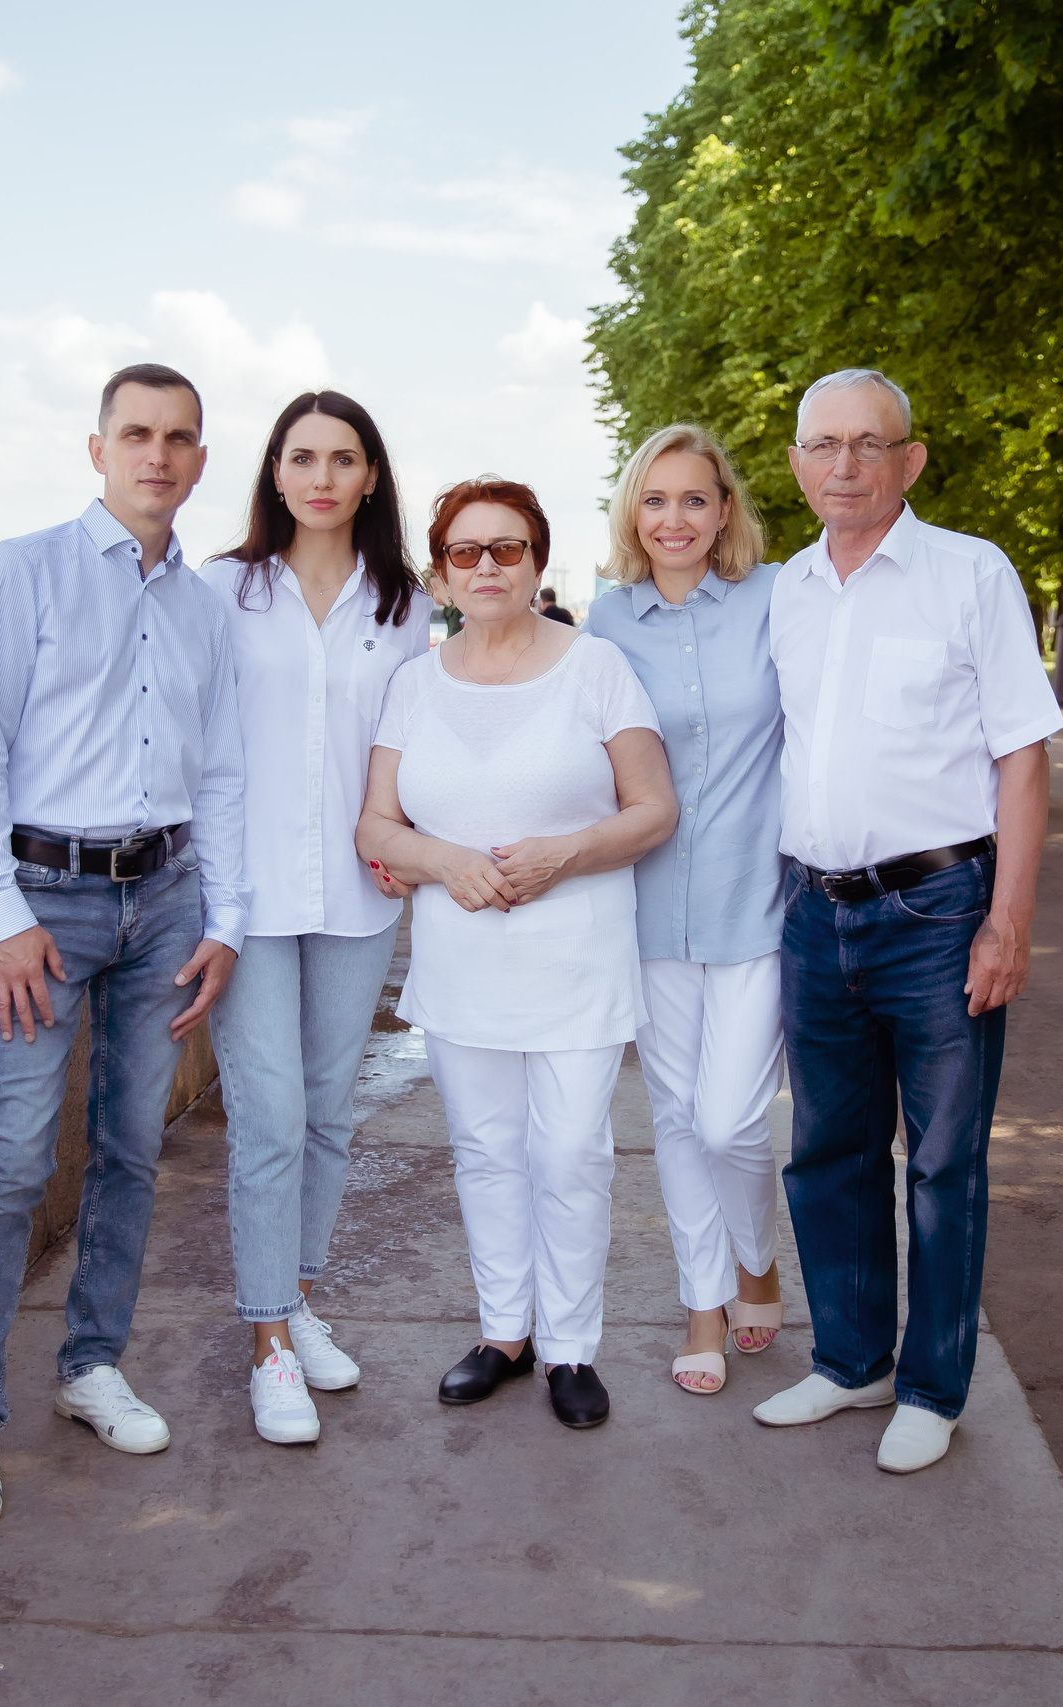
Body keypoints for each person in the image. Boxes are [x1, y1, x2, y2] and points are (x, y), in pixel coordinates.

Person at [0, 363, 245, 1529]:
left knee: (127, 1150)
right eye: (136, 435)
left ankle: (88, 1367)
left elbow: (219, 775)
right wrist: (0, 918)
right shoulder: (21, 572)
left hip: (164, 898)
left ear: (202, 459)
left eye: (179, 438)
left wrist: (225, 919)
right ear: (97, 447)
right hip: (45, 904)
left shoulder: (203, 608)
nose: (157, 455)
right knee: (9, 1161)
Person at [749, 369, 1060, 1475]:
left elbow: (1021, 757)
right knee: (826, 1151)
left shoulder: (969, 575)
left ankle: (931, 1386)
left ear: (909, 461)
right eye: (823, 444)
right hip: (812, 910)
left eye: (869, 445)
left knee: (939, 1164)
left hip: (937, 909)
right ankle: (849, 1364)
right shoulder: (782, 588)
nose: (845, 465)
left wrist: (1007, 922)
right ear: (794, 462)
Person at [356, 477, 677, 1429]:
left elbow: (654, 809)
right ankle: (505, 1330)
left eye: (508, 549)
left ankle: (572, 1346)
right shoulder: (414, 684)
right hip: (463, 962)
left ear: (538, 562)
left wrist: (562, 853)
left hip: (576, 955)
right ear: (441, 571)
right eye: (466, 551)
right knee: (486, 1150)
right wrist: (443, 859)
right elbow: (376, 822)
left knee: (572, 1151)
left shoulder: (599, 667)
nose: (487, 566)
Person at [196, 393, 431, 1445]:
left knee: (331, 1112)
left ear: (371, 476)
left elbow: (424, 741)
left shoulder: (407, 603)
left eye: (344, 458)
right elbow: (189, 744)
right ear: (275, 473)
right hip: (244, 899)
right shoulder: (223, 592)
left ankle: (295, 1296)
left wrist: (416, 834)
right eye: (303, 457)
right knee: (270, 1116)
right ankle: (266, 1346)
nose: (323, 475)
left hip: (356, 891)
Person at [585, 425, 786, 1397]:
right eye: (655, 500)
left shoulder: (777, 598)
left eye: (694, 500)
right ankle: (705, 1300)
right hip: (650, 909)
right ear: (633, 512)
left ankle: (757, 1256)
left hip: (760, 902)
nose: (675, 519)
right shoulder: (606, 620)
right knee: (673, 1116)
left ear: (724, 510)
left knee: (732, 1124)